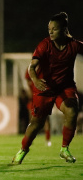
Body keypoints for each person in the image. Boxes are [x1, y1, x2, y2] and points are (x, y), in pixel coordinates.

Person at [12, 12, 83, 164]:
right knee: (37, 123)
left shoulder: (74, 45)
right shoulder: (45, 45)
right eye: (49, 28)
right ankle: (23, 149)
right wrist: (36, 79)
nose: (50, 32)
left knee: (71, 110)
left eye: (54, 29)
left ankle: (64, 149)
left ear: (64, 30)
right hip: (44, 88)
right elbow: (32, 68)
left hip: (65, 87)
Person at [25, 68, 52, 146]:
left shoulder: (45, 69)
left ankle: (48, 139)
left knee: (45, 120)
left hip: (42, 98)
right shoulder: (30, 68)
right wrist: (30, 91)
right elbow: (28, 81)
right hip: (33, 99)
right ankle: (29, 139)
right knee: (31, 120)